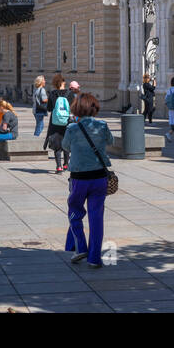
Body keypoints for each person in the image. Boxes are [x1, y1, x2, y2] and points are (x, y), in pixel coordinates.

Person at [62, 93, 114, 268]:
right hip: (99, 177)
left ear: (77, 109)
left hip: (79, 178)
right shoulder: (102, 125)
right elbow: (110, 141)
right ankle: (94, 258)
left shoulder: (72, 128)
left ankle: (81, 246)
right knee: (96, 217)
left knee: (74, 212)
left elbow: (65, 146)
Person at [45, 75, 74, 173]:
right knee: (66, 143)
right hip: (67, 122)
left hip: (55, 123)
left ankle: (58, 167)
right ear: (63, 83)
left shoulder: (52, 94)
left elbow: (49, 108)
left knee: (56, 144)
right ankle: (66, 164)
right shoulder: (70, 94)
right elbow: (73, 108)